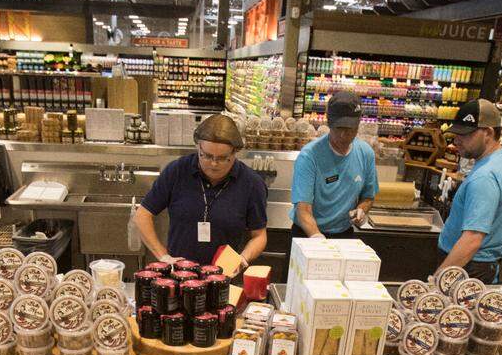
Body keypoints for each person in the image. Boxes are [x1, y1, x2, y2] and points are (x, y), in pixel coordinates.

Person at [135, 114, 267, 268]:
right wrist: (162, 255)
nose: (214, 163)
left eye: (223, 158)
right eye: (206, 156)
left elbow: (259, 236)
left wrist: (243, 258)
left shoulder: (252, 183)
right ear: (198, 147)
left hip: (223, 277)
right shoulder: (177, 171)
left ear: (235, 152)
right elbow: (142, 215)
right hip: (180, 273)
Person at [435, 99, 502, 284]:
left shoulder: (485, 177)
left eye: (464, 134)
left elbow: (472, 239)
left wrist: (438, 279)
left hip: (469, 268)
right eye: (456, 133)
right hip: (485, 265)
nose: (456, 140)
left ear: (488, 133)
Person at [290, 91, 379, 237]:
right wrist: (318, 239)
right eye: (339, 128)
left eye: (350, 129)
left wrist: (361, 210)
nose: (344, 135)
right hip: (308, 233)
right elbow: (303, 209)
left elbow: (368, 197)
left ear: (358, 125)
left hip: (343, 233)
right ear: (329, 124)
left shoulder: (366, 154)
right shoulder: (310, 156)